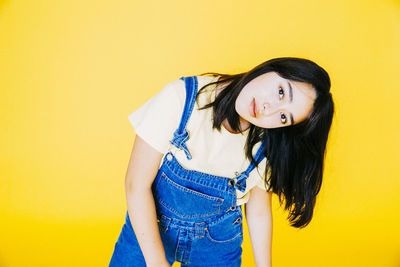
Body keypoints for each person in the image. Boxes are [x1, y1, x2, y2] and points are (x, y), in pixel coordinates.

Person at [109, 57, 334, 267]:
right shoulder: (181, 98)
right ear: (272, 68)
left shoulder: (266, 144)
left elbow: (258, 210)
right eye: (281, 92)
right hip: (149, 228)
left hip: (216, 245)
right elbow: (136, 185)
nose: (269, 109)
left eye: (284, 117)